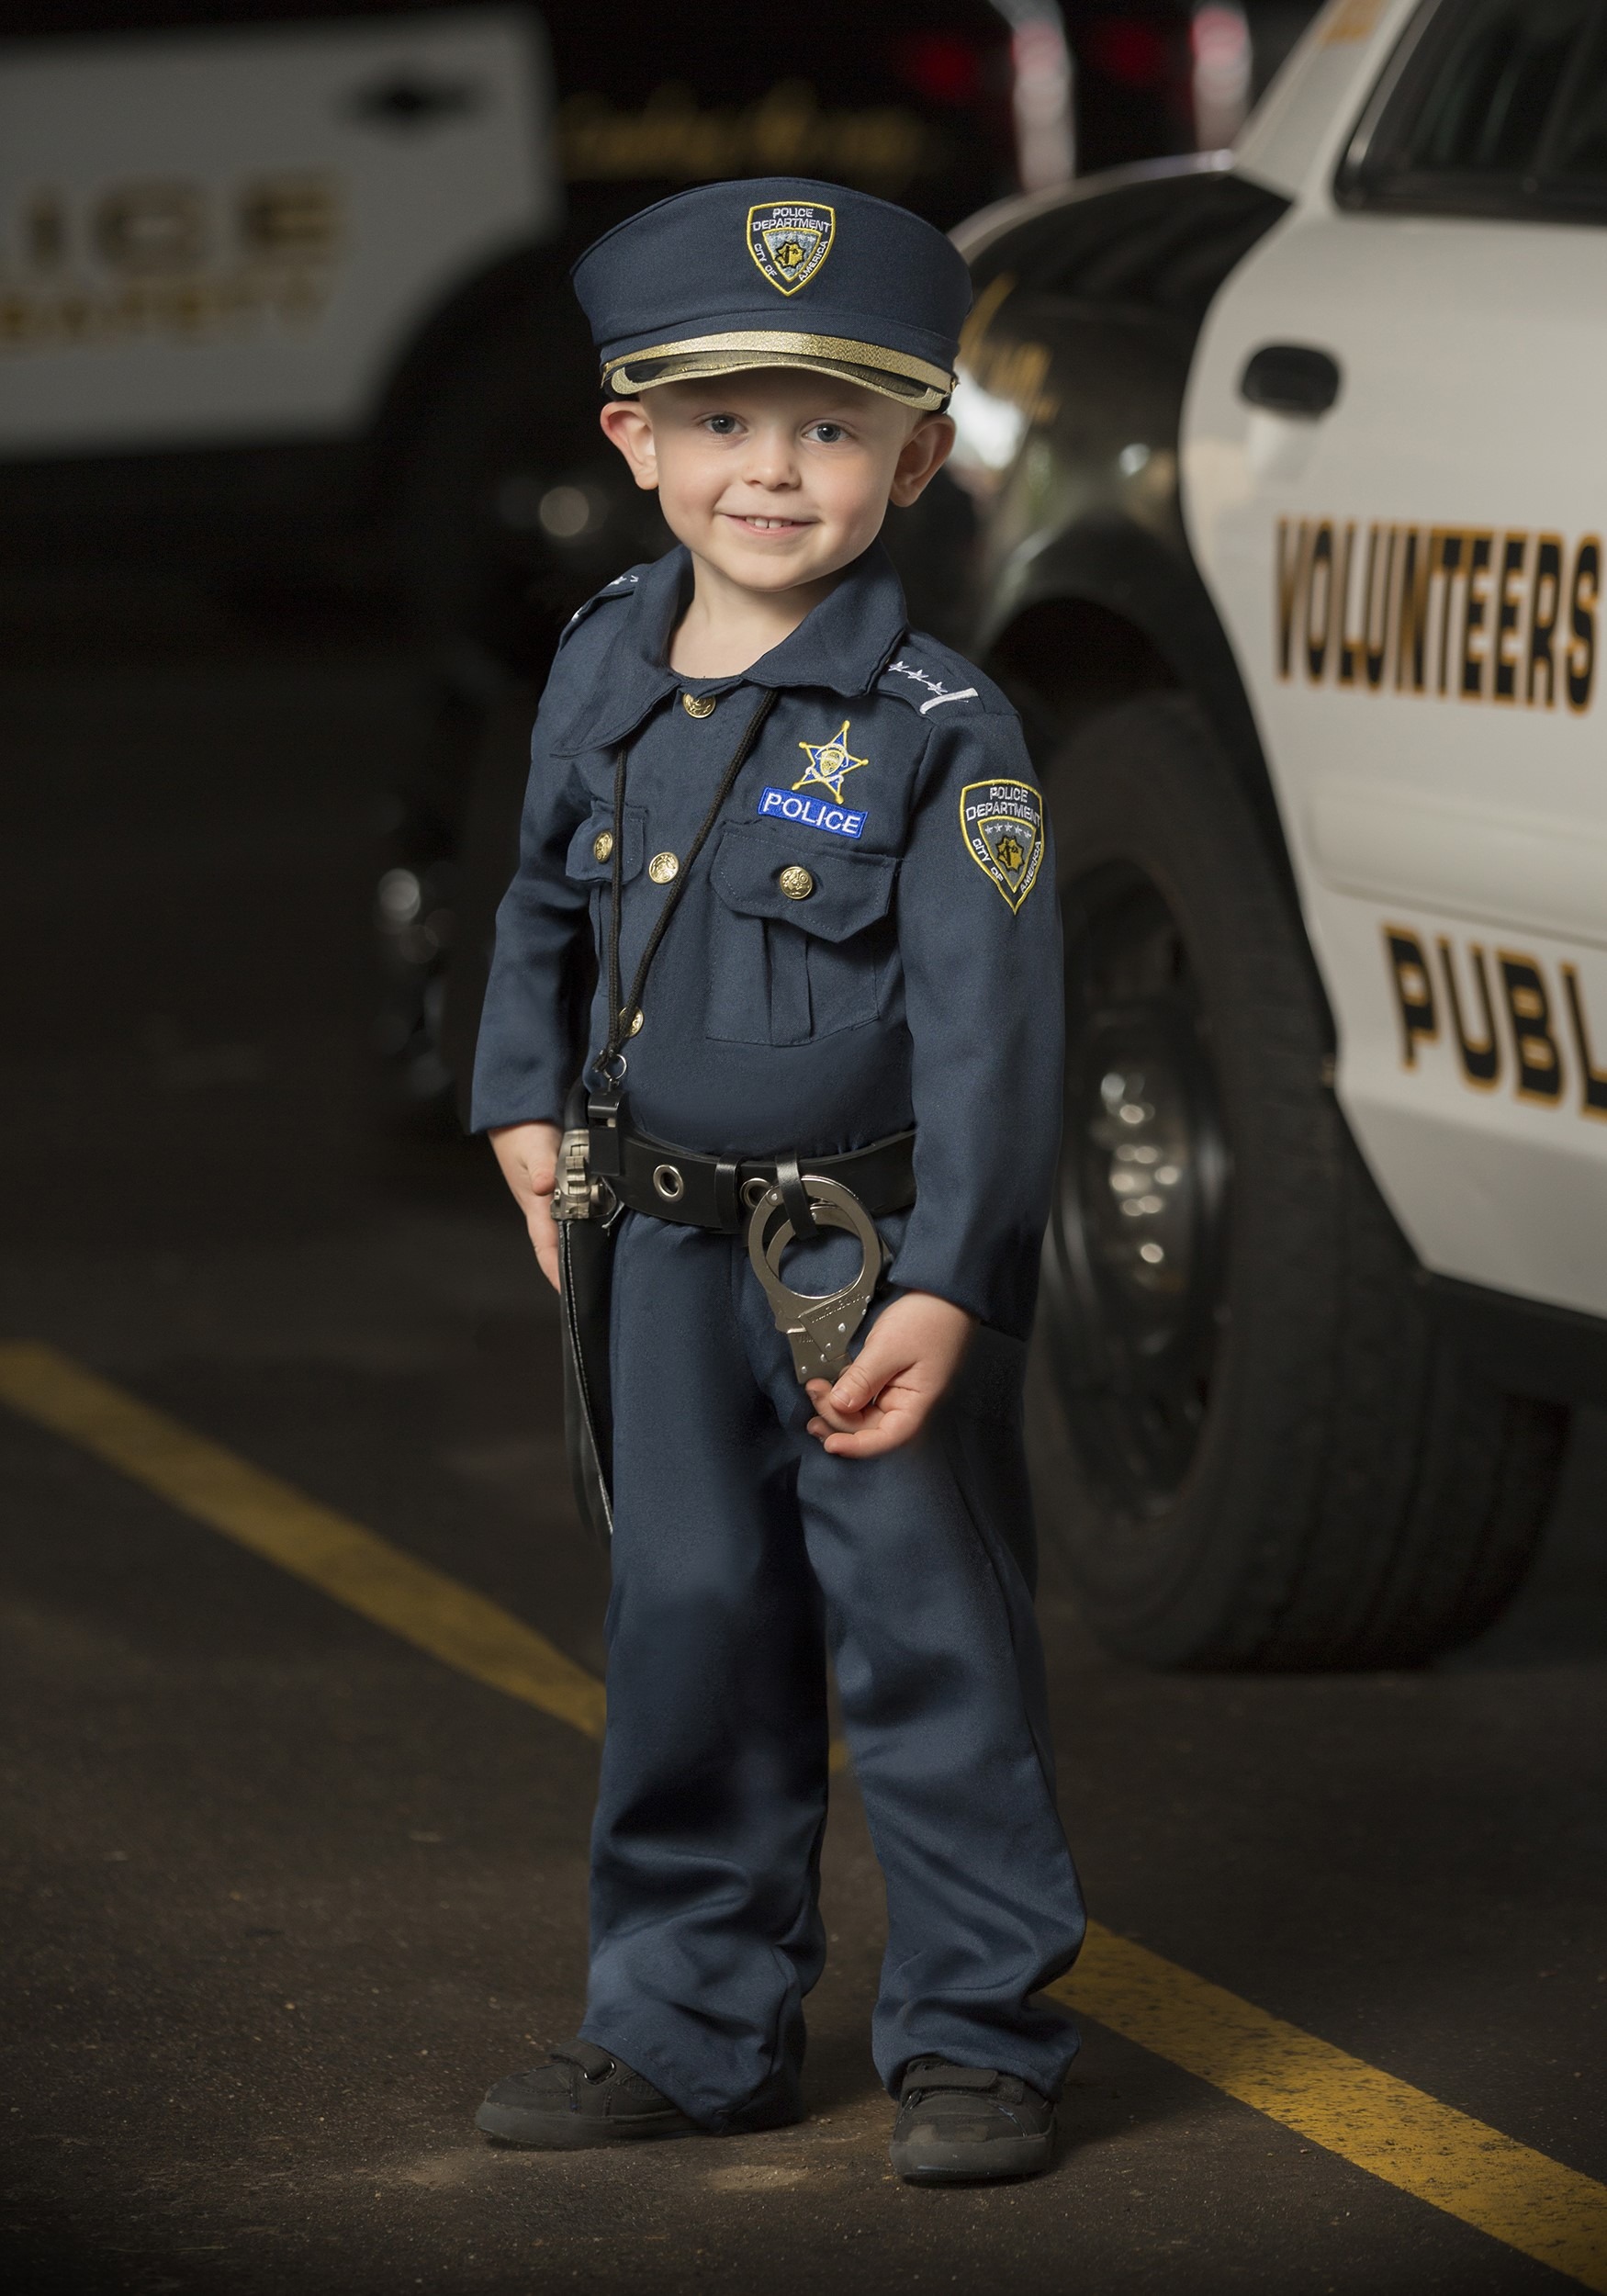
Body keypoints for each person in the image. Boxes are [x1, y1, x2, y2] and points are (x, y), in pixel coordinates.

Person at [468, 177, 1085, 2184]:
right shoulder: (594, 667)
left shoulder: (941, 733)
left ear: (914, 459)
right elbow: (539, 912)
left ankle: (978, 2032)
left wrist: (948, 1279)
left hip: (861, 1253)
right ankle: (684, 2014)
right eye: (721, 420)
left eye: (828, 426)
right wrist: (519, 1106)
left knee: (925, 1640)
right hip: (647, 1255)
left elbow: (997, 1036)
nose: (770, 470)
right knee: (687, 1615)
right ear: (631, 441)